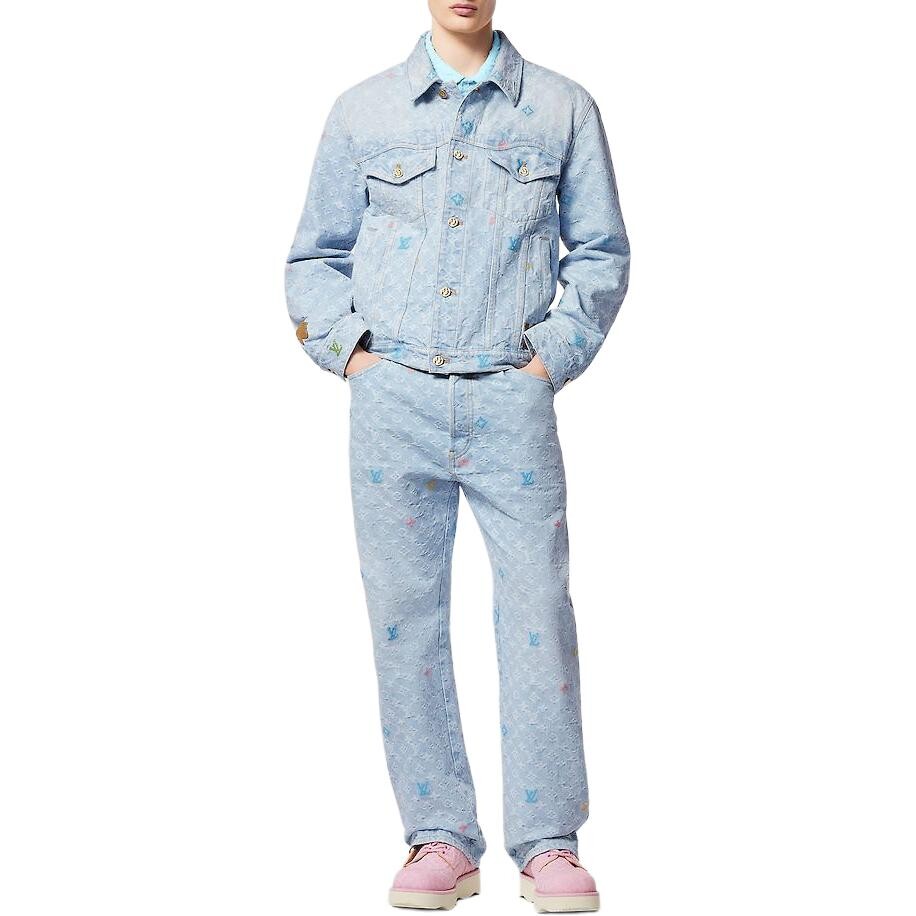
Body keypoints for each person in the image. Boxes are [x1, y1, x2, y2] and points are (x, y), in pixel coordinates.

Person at [284, 1, 629, 910]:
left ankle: (548, 844)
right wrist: (351, 356)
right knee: (404, 618)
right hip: (392, 398)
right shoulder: (363, 110)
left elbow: (600, 253)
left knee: (537, 608)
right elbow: (313, 258)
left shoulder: (562, 108)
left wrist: (550, 358)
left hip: (510, 398)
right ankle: (439, 836)